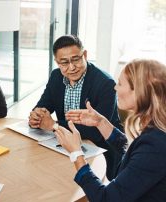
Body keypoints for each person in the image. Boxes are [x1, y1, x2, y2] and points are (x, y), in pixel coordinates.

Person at [56, 59, 166, 201]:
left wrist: (76, 154)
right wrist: (101, 122)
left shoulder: (155, 145)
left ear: (139, 91)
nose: (115, 88)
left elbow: (105, 199)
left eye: (120, 83)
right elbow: (132, 158)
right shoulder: (156, 131)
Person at [28, 35, 123, 180]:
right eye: (64, 62)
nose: (71, 67)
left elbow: (96, 132)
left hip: (99, 151)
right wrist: (37, 116)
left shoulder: (106, 83)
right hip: (64, 148)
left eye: (76, 59)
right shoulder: (56, 76)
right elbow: (43, 105)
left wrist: (54, 125)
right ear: (57, 62)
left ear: (84, 55)